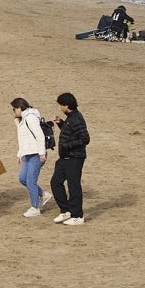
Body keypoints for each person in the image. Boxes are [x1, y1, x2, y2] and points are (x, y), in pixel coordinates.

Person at [50, 92, 90, 225]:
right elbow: (70, 132)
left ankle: (78, 216)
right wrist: (61, 123)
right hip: (65, 158)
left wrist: (67, 146)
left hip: (75, 158)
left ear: (67, 105)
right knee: (56, 182)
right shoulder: (70, 117)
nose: (60, 108)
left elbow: (85, 139)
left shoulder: (77, 119)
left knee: (74, 187)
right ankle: (66, 210)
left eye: (61, 105)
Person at [11, 97, 52, 217]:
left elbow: (39, 135)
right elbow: (23, 139)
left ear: (19, 107)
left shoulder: (30, 118)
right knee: (23, 179)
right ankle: (43, 195)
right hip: (27, 154)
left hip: (36, 154)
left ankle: (35, 207)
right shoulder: (22, 119)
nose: (14, 112)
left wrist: (42, 153)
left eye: (14, 109)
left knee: (30, 181)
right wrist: (20, 154)